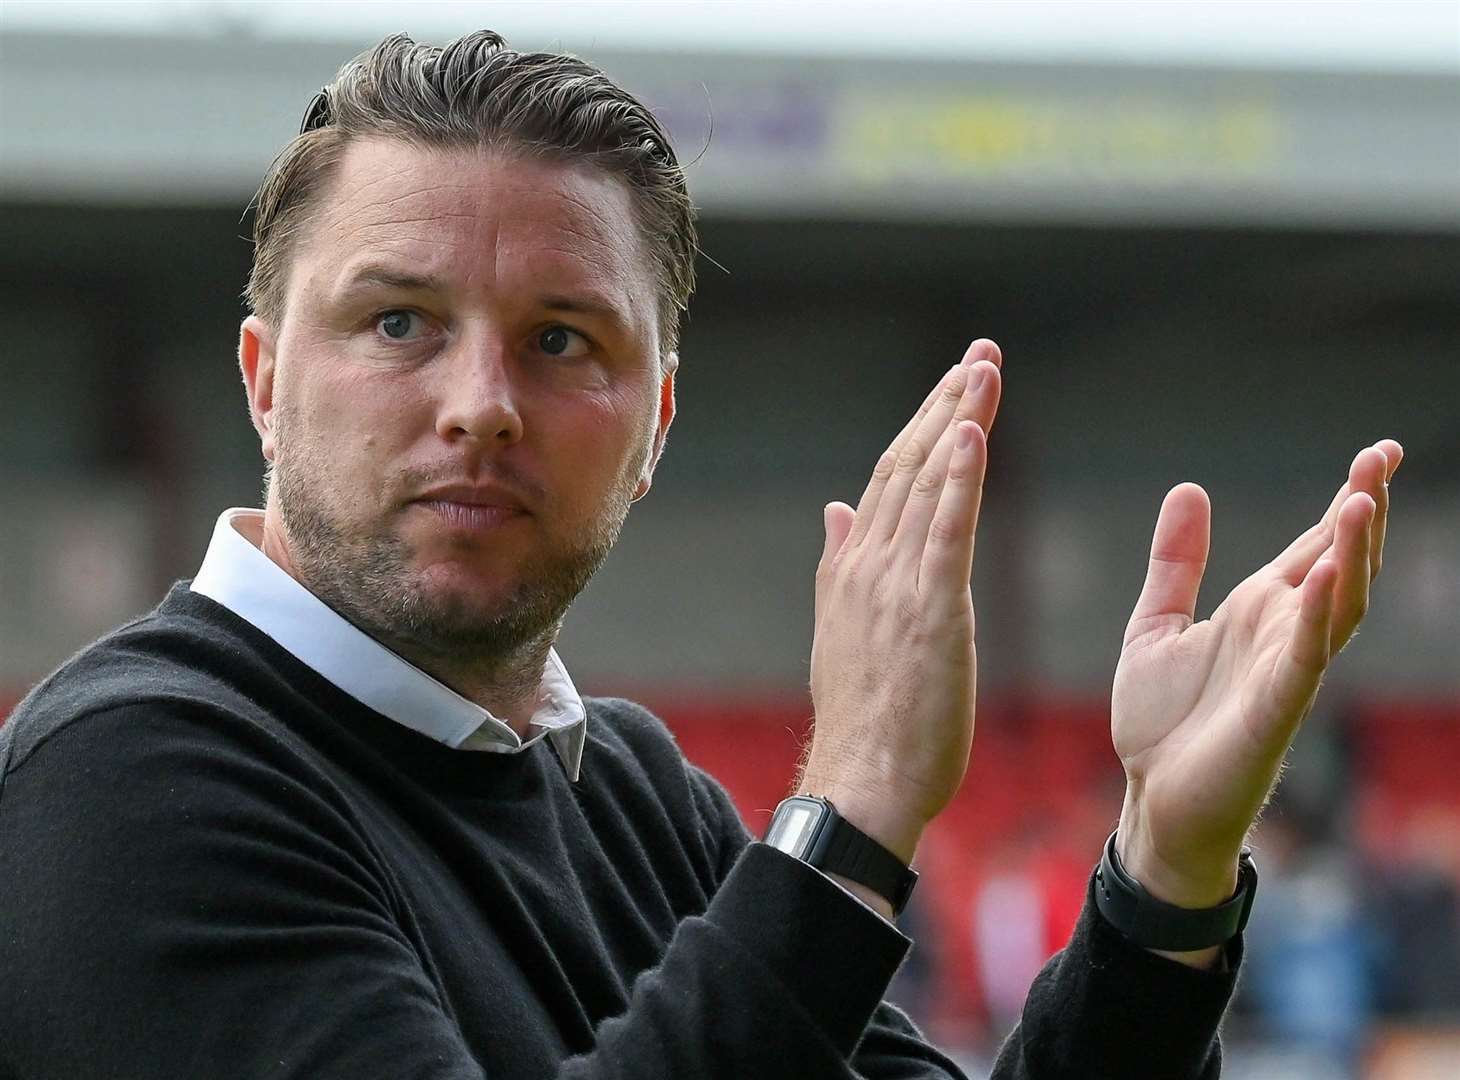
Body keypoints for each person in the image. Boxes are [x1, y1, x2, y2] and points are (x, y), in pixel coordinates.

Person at [0, 29, 1401, 1079]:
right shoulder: (130, 781)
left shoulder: (632, 796)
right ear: (259, 378)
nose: (480, 401)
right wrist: (845, 820)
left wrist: (1166, 874)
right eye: (396, 322)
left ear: (656, 420)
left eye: (563, 340)